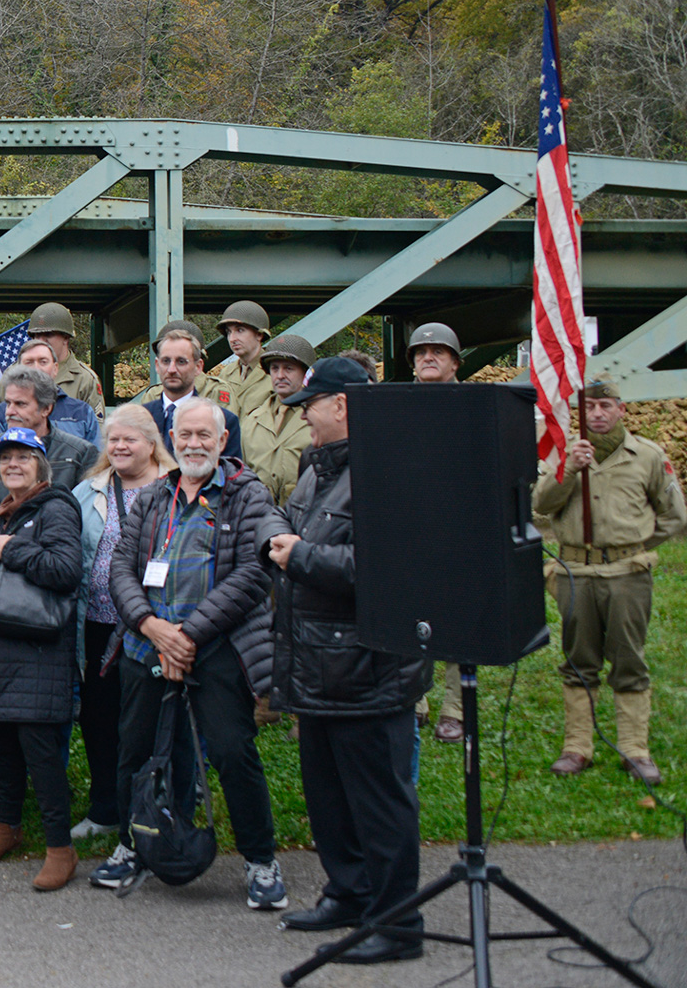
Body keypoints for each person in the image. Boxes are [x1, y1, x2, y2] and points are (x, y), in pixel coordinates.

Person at [261, 355, 431, 965]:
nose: (302, 415)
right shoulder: (319, 468)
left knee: (379, 803)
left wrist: (298, 555)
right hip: (316, 667)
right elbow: (296, 526)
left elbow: (386, 572)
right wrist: (281, 538)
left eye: (312, 404)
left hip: (368, 671)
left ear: (344, 406)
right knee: (328, 796)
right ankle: (348, 895)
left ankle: (397, 924)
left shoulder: (387, 472)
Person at [93, 396, 284, 911]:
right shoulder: (155, 497)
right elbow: (121, 570)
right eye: (185, 435)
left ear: (223, 442)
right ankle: (132, 846)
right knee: (133, 752)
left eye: (205, 435)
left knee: (231, 752)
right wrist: (156, 629)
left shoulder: (247, 495)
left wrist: (188, 636)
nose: (194, 443)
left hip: (217, 647)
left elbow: (251, 574)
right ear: (170, 440)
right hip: (146, 645)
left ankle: (260, 860)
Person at [0, 427, 84, 887]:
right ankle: (8, 826)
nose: (13, 465)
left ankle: (59, 848)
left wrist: (14, 549)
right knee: (2, 747)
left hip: (35, 650)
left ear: (40, 464)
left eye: (23, 457)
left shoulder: (57, 507)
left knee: (41, 755)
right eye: (5, 458)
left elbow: (66, 571)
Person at [536, 379, 687, 785]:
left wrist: (631, 545)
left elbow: (674, 516)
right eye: (589, 407)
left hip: (626, 575)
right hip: (575, 575)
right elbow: (541, 504)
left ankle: (635, 750)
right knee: (578, 661)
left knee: (629, 659)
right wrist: (570, 469)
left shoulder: (648, 455)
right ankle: (577, 747)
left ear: (622, 410)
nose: (597, 414)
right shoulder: (563, 454)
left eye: (605, 405)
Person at [67, 406, 173, 841]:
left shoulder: (175, 489)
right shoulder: (88, 490)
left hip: (153, 627)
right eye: (113, 440)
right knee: (98, 717)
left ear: (151, 444)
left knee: (149, 720)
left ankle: (154, 805)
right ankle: (106, 807)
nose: (121, 447)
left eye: (130, 439)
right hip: (96, 624)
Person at [407, 322, 468, 742]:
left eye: (438, 351)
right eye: (421, 352)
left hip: (460, 529)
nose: (428, 357)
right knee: (410, 614)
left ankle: (456, 708)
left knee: (457, 618)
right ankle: (414, 698)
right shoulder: (398, 405)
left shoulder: (473, 405)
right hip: (411, 527)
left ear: (454, 362)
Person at [0, 365, 98, 492]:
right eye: (8, 403)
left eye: (20, 404)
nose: (10, 411)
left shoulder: (79, 453)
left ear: (46, 409)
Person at [144, 329, 248, 468]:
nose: (172, 369)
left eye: (181, 361)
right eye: (166, 361)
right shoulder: (142, 419)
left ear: (198, 367)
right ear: (157, 365)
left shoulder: (225, 421)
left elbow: (232, 479)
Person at [241, 334, 317, 506]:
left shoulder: (318, 420)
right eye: (274, 369)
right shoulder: (252, 421)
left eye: (288, 368)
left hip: (305, 515)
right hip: (259, 517)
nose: (280, 375)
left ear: (306, 373)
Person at [4, 339, 100, 447]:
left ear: (55, 368)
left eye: (43, 362)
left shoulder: (82, 412)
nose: (36, 368)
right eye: (29, 362)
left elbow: (96, 458)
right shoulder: (1, 413)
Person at [204, 301, 276, 420]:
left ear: (259, 334)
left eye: (240, 330)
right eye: (229, 332)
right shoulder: (225, 374)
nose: (232, 339)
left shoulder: (275, 372)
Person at [27, 302, 104, 414]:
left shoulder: (84, 379)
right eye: (37, 335)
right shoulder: (17, 372)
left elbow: (96, 428)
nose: (41, 341)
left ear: (66, 338)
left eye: (48, 335)